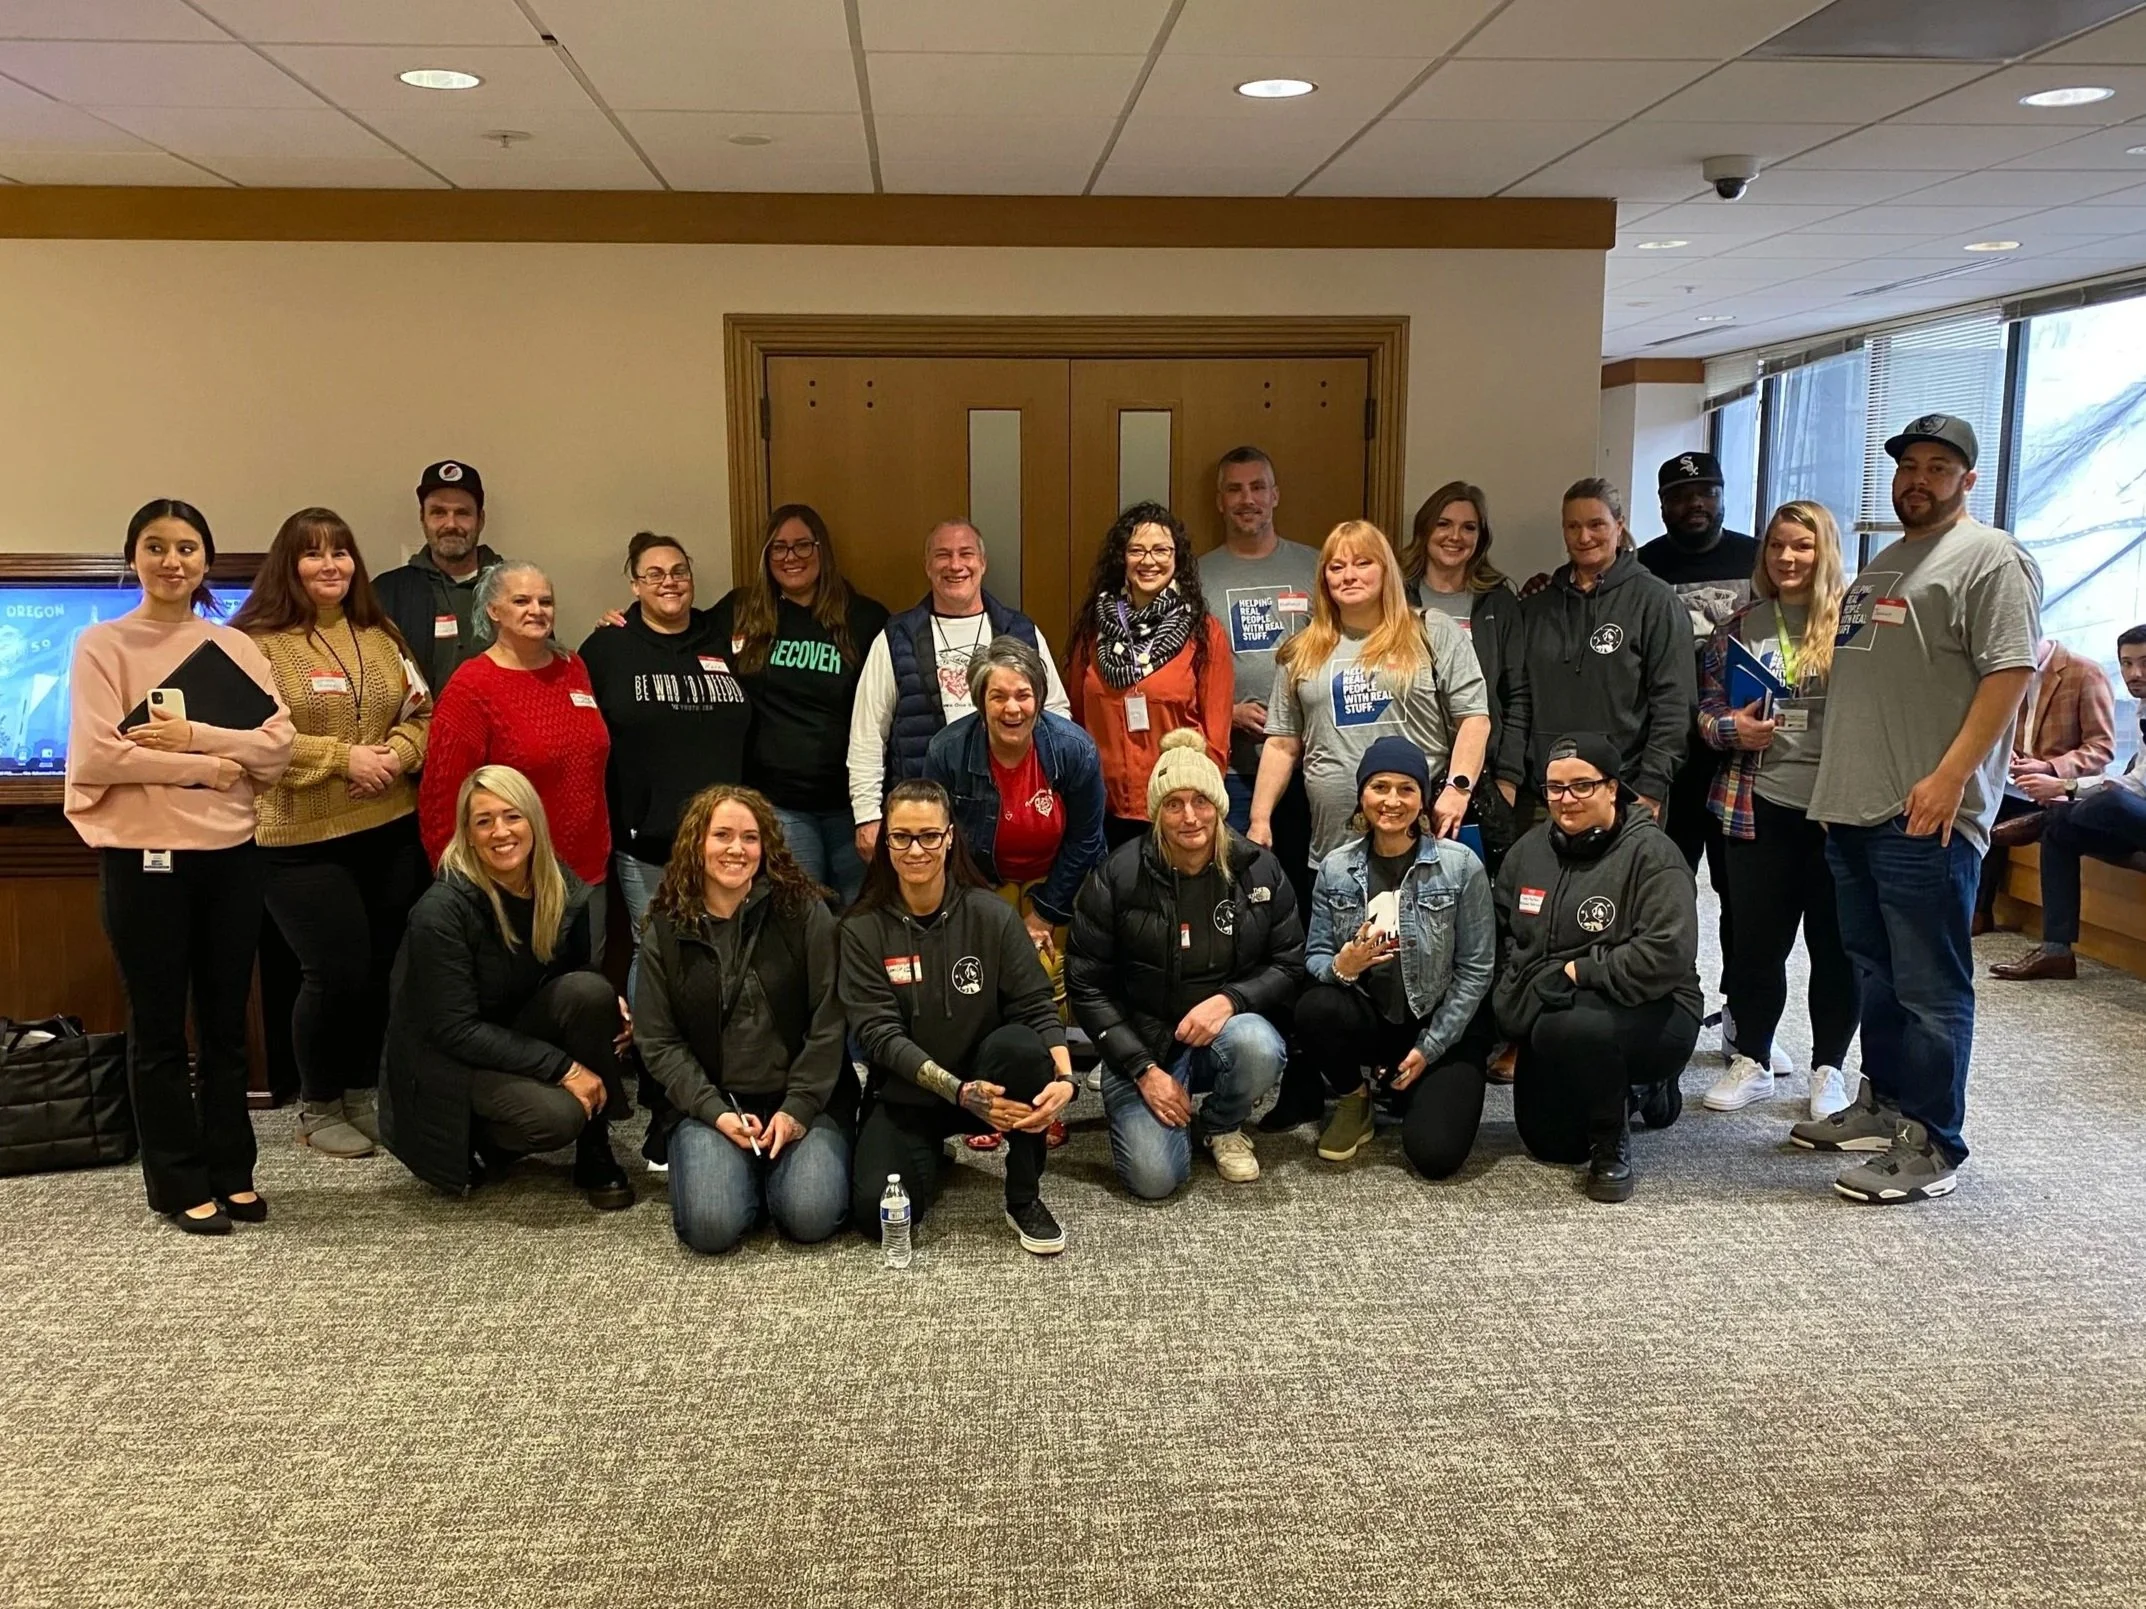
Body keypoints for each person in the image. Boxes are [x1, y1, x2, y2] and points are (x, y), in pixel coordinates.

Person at [1797, 413, 2041, 1204]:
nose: (1919, 479)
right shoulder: (1881, 567)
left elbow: (2009, 674)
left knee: (1931, 985)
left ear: (1968, 480)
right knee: (1876, 973)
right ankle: (1887, 1104)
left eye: (1939, 467)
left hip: (1926, 814)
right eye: (1909, 465)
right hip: (1856, 810)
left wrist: (1951, 778)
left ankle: (1933, 1140)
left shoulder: (1990, 560)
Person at [64, 499, 294, 1234]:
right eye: (156, 546)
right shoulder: (102, 645)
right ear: (133, 554)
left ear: (206, 559)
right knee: (160, 1026)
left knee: (227, 1025)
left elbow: (278, 749)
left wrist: (190, 736)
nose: (173, 561)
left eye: (188, 547)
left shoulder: (233, 647)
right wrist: (214, 767)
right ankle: (176, 1181)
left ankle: (233, 1170)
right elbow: (99, 755)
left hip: (231, 855)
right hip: (143, 859)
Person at [233, 507, 431, 1162]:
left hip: (388, 825)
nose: (330, 566)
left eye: (341, 553)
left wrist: (396, 756)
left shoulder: (381, 634)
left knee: (379, 967)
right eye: (313, 554)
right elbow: (251, 740)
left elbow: (423, 715)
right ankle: (319, 1105)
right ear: (288, 565)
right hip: (297, 838)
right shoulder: (255, 644)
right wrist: (346, 759)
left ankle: (361, 1089)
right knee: (333, 969)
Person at [379, 765, 635, 1210]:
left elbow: (575, 980)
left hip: (509, 1033)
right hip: (445, 1063)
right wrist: (563, 1069)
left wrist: (613, 1008)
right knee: (557, 1117)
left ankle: (595, 1150)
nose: (501, 832)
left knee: (592, 994)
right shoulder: (441, 911)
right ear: (468, 833)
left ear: (533, 820)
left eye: (512, 816)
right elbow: (453, 1030)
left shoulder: (557, 882)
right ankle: (483, 1138)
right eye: (484, 821)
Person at [840, 779, 1074, 1255]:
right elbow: (879, 1037)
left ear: (949, 838)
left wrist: (1066, 1079)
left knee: (1024, 1049)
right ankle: (932, 1154)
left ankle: (1023, 1197)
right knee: (875, 1214)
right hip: (910, 1094)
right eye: (901, 837)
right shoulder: (861, 929)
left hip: (991, 1080)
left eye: (929, 835)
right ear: (886, 843)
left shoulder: (991, 915)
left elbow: (1035, 1003)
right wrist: (960, 1095)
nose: (916, 849)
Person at [1067, 729, 1303, 1199]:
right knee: (1155, 1180)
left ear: (1220, 805)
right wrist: (1142, 1071)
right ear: (1157, 814)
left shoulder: (1259, 869)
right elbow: (1085, 984)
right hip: (1143, 1045)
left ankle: (1220, 1124)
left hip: (1222, 1037)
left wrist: (1231, 1001)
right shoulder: (1117, 876)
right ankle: (1151, 1101)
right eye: (1173, 803)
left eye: (1201, 801)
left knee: (1259, 1043)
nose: (1190, 817)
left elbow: (1289, 963)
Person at [1694, 501, 1859, 1120]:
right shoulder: (1739, 625)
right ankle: (1753, 1059)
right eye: (1777, 547)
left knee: (1835, 945)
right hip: (1757, 805)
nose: (1788, 559)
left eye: (1803, 547)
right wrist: (1731, 728)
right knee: (1756, 944)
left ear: (1826, 552)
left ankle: (1829, 1069)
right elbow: (1704, 713)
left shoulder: (1854, 624)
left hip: (1840, 809)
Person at [634, 786, 850, 1255]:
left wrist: (799, 1109)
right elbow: (658, 1042)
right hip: (713, 1105)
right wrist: (715, 1112)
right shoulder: (666, 929)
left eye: (750, 838)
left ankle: (769, 1174)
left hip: (802, 1100)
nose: (736, 849)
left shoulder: (805, 913)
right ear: (697, 843)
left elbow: (830, 1022)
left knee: (810, 1216)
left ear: (766, 846)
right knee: (712, 1228)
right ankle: (739, 1172)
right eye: (722, 835)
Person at [1493, 733, 1703, 1204]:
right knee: (1551, 1145)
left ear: (1613, 788)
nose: (1566, 800)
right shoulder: (1527, 853)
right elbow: (1503, 933)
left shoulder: (1653, 855)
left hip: (1657, 1009)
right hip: (1554, 1010)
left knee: (1568, 1028)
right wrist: (1513, 996)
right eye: (1554, 788)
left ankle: (1614, 1139)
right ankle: (1641, 1095)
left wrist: (1579, 971)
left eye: (1582, 786)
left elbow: (1667, 954)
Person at [1298, 737, 1496, 1176]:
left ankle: (1412, 1084)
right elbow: (1313, 956)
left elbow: (1477, 969)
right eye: (1379, 787)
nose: (1392, 800)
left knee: (1435, 1157)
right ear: (1361, 796)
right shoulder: (1334, 868)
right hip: (1373, 1019)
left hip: (1441, 1025)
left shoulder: (1461, 866)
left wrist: (1430, 1047)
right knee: (1315, 1006)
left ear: (1423, 800)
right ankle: (1356, 1098)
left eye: (1406, 789)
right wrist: (1340, 967)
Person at [1250, 520, 1490, 866]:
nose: (1348, 575)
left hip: (1423, 836)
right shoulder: (1301, 650)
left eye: (1363, 563)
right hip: (1332, 847)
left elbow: (1474, 719)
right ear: (1324, 579)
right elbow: (1281, 743)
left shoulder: (1430, 630)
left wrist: (1458, 789)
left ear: (1386, 570)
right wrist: (1260, 819)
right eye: (1337, 566)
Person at [578, 531, 749, 1001]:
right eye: (653, 574)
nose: (668, 582)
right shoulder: (608, 648)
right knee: (654, 945)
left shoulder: (722, 636)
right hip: (648, 837)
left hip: (725, 836)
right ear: (634, 585)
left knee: (727, 945)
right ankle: (654, 1061)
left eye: (678, 572)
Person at [419, 561, 614, 957]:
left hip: (587, 869)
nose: (536, 610)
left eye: (546, 601)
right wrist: (459, 887)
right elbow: (442, 801)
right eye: (521, 600)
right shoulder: (472, 687)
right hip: (514, 881)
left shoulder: (573, 668)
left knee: (586, 994)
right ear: (493, 611)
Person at [845, 520, 1069, 864]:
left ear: (982, 562)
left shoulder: (1020, 631)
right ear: (927, 565)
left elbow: (1057, 715)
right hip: (921, 820)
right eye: (942, 555)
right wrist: (867, 815)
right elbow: (867, 734)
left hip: (1008, 817)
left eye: (966, 554)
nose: (955, 565)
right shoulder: (896, 637)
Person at [709, 504, 889, 905]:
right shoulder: (742, 611)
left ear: (822, 550)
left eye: (803, 546)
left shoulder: (864, 618)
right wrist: (627, 622)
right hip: (781, 805)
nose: (791, 558)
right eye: (779, 548)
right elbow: (677, 634)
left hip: (851, 806)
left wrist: (874, 807)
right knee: (805, 919)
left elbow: (888, 707)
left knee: (860, 919)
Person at [1636, 452, 1759, 1030]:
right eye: (1683, 495)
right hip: (1670, 758)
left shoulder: (1757, 558)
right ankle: (1675, 998)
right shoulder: (1643, 567)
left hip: (1742, 757)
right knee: (1667, 888)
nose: (1696, 504)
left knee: (1742, 895)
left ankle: (1743, 1010)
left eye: (1707, 491)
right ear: (1662, 504)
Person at [924, 633, 1107, 974]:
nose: (1012, 708)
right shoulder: (946, 751)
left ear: (1038, 699)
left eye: (1023, 695)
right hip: (981, 884)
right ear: (980, 702)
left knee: (1046, 970)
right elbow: (937, 841)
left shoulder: (1075, 750)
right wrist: (981, 910)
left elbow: (1086, 840)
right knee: (986, 972)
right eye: (998, 697)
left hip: (1060, 879)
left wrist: (1045, 914)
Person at [1514, 479, 1692, 823]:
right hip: (1545, 794)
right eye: (1573, 526)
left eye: (1596, 525)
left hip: (1625, 794)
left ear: (1619, 526)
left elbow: (1675, 704)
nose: (1584, 538)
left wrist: (1652, 789)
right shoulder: (1536, 609)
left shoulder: (1654, 601)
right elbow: (1520, 702)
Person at [1066, 502, 1233, 846]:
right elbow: (1077, 721)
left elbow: (1216, 739)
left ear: (1177, 558)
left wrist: (1197, 809)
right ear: (1121, 559)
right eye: (1136, 550)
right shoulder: (1093, 631)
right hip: (1103, 807)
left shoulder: (1204, 633)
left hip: (1175, 809)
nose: (1149, 561)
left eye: (1161, 550)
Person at [1990, 624, 2146, 981]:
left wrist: (2065, 784)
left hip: (2126, 804)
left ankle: (2044, 820)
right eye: (2127, 664)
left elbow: (2121, 771)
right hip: (2126, 807)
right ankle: (2057, 951)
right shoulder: (2142, 708)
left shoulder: (2084, 673)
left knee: (2112, 803)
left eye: (2144, 663)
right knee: (2061, 830)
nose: (2134, 674)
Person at [1197, 447, 1320, 887]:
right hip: (1230, 768)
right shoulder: (1196, 577)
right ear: (1220, 501)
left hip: (1310, 767)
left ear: (1275, 495)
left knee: (1304, 891)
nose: (1247, 498)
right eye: (1234, 489)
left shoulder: (1317, 567)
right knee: (1236, 891)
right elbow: (1176, 673)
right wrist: (1224, 713)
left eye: (1257, 487)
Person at [1400, 480, 1532, 864]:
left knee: (1472, 889)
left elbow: (1517, 695)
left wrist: (1507, 779)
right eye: (1444, 524)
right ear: (1425, 529)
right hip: (1409, 771)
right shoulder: (1396, 597)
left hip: (1481, 777)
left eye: (1469, 527)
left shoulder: (1499, 601)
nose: (1455, 536)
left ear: (1481, 536)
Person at [1974, 634, 2115, 934]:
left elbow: (2102, 749)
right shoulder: (2013, 674)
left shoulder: (2085, 673)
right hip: (2019, 786)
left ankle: (1978, 910)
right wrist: (2007, 751)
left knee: (1998, 810)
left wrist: (2050, 768)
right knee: (1980, 800)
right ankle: (1976, 910)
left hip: (2064, 789)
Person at [374, 459, 503, 699]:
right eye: (438, 513)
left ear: (481, 519)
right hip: (419, 734)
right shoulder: (387, 592)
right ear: (423, 518)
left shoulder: (515, 588)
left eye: (462, 513)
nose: (450, 524)